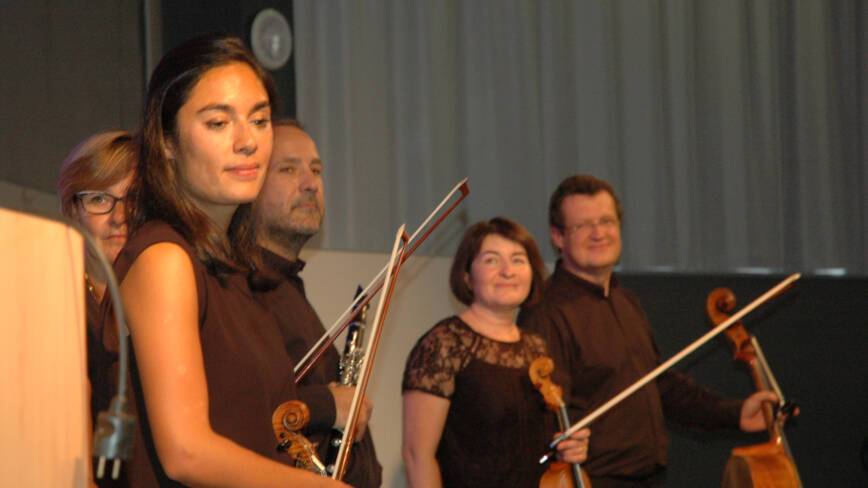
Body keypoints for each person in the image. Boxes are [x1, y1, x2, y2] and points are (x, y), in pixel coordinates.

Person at [109, 34, 346, 487]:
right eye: (218, 123)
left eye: (259, 120)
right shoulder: (164, 258)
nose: (248, 142)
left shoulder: (235, 271)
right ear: (167, 142)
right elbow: (187, 453)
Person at [519, 174, 779, 487]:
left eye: (607, 221)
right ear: (558, 237)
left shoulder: (625, 301)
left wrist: (735, 414)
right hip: (592, 481)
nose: (599, 233)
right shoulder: (547, 313)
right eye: (583, 226)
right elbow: (541, 417)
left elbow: (660, 386)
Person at [401, 217, 591, 488]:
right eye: (491, 260)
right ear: (467, 276)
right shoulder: (444, 345)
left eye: (518, 259)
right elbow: (416, 455)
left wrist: (567, 449)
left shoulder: (536, 348)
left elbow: (532, 445)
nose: (507, 271)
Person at [254, 119, 382, 487]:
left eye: (317, 170)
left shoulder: (288, 288)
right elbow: (244, 411)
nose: (310, 183)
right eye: (288, 169)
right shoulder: (243, 290)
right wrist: (330, 405)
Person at [57, 129, 136, 439]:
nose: (119, 217)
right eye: (100, 198)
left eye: (133, 199)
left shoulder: (169, 293)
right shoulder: (55, 299)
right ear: (73, 210)